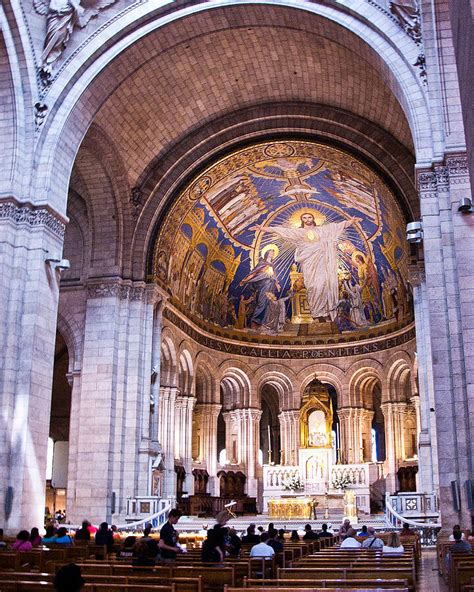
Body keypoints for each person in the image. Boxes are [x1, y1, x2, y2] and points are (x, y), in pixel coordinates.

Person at [253, 214, 361, 320]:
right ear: (301, 220)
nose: (307, 219)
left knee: (324, 283)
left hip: (322, 261)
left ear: (313, 218)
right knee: (312, 285)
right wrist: (263, 228)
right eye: (304, 218)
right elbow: (281, 230)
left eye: (309, 217)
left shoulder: (322, 230)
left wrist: (351, 221)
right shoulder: (299, 232)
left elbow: (337, 226)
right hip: (308, 262)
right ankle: (316, 312)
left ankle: (325, 312)